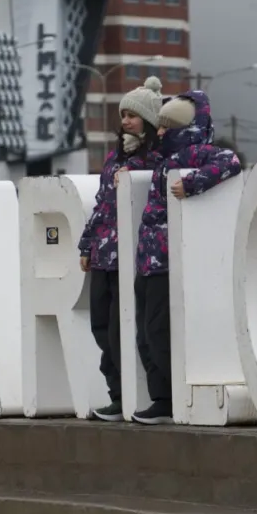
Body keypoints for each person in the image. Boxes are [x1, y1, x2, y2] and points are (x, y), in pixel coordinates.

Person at [127, 89, 242, 425]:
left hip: (165, 262)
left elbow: (230, 162)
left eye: (166, 126)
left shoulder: (195, 153)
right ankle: (161, 397)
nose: (160, 132)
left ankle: (170, 396)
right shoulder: (166, 157)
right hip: (149, 261)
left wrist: (193, 184)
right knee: (146, 334)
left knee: (157, 331)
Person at [78, 76, 163, 422]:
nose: (126, 121)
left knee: (119, 330)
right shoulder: (115, 157)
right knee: (100, 326)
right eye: (123, 115)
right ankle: (116, 395)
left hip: (130, 258)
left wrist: (135, 167)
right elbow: (102, 204)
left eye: (133, 115)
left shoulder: (155, 156)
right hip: (103, 256)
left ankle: (129, 396)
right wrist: (87, 244)